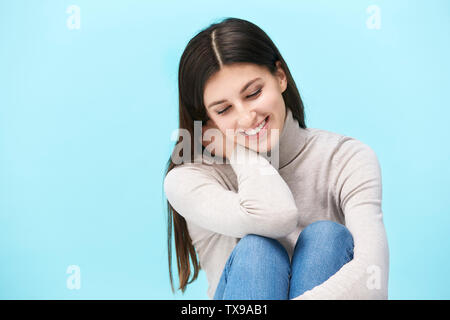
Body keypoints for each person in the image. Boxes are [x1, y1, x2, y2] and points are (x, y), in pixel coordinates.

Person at [163, 17, 389, 299]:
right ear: (207, 121)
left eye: (253, 93)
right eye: (223, 110)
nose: (246, 117)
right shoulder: (189, 178)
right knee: (259, 249)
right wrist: (237, 151)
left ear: (280, 76)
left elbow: (373, 277)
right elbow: (276, 217)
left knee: (327, 238)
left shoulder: (346, 158)